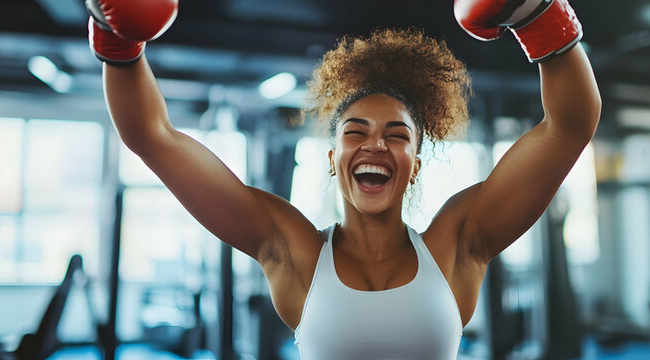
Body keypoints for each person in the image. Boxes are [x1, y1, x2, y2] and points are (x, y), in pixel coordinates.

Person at [87, 0, 600, 358]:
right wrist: (116, 40)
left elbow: (570, 128)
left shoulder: (457, 244)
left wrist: (540, 15)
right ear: (333, 159)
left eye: (397, 135)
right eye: (356, 132)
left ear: (415, 163)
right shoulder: (293, 250)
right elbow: (154, 138)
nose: (375, 144)